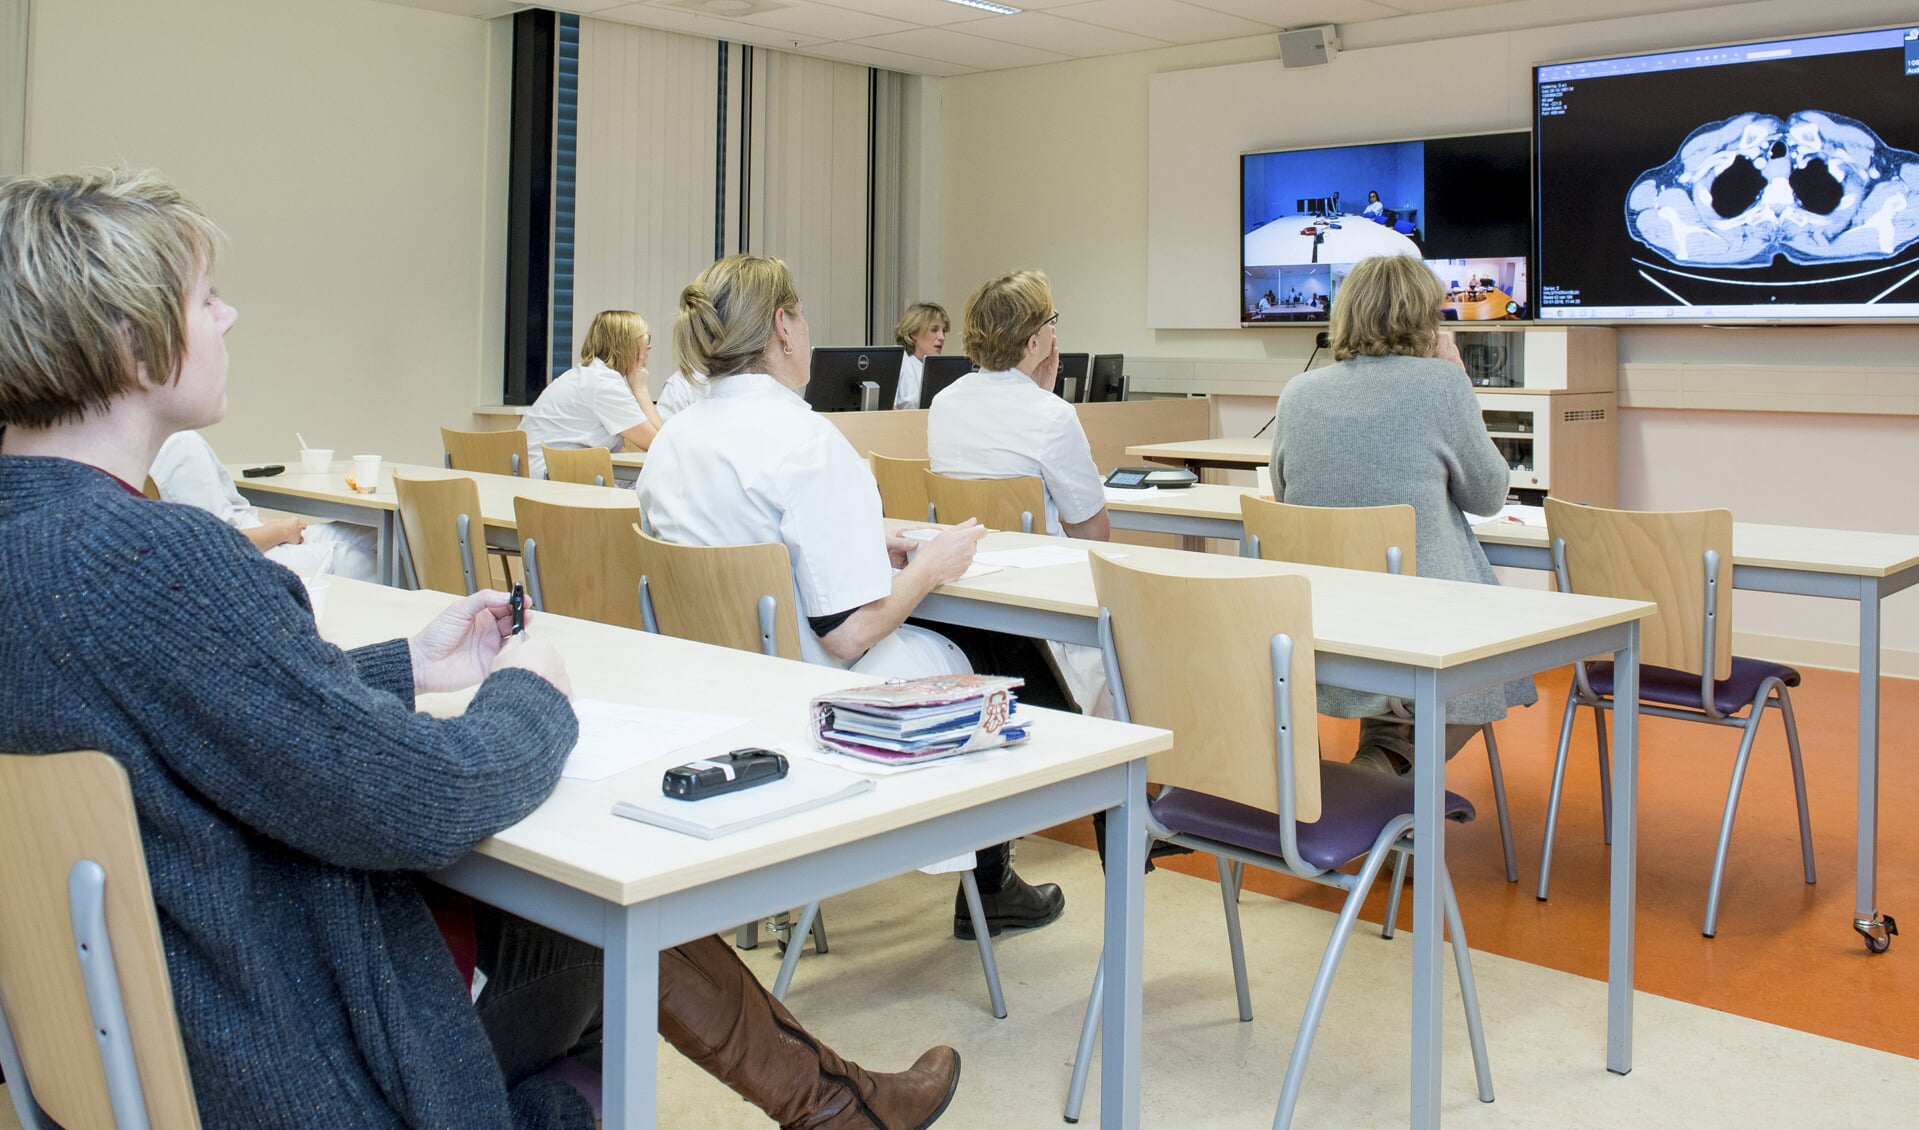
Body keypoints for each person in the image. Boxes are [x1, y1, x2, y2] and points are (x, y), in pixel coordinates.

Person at [0, 169, 959, 1130]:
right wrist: (529, 690)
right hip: (306, 1058)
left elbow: (201, 711)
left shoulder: (38, 542)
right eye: (206, 297)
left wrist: (406, 668)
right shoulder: (158, 561)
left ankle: (835, 1107)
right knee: (610, 917)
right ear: (130, 343)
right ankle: (830, 1107)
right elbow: (427, 800)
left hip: (138, 1038)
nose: (232, 314)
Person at [637, 254, 1064, 940]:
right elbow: (846, 633)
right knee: (984, 656)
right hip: (818, 692)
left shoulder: (674, 440)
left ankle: (994, 884)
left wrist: (870, 535)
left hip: (713, 683)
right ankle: (992, 886)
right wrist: (927, 566)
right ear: (782, 326)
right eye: (801, 316)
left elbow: (760, 545)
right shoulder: (806, 439)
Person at [1267, 254, 1537, 774]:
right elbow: (1489, 495)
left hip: (1321, 615)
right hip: (1419, 622)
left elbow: (1286, 497)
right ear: (1425, 319)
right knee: (1490, 660)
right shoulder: (1440, 387)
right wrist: (1457, 375)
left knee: (1394, 671)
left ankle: (1382, 760)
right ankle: (1389, 768)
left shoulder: (1297, 394)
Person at [150, 428, 379, 580]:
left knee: (377, 534)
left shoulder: (181, 440)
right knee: (371, 558)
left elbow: (227, 516)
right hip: (254, 555)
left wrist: (280, 525)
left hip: (260, 536)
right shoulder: (179, 445)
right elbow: (220, 547)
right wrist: (280, 531)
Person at [518, 309, 664, 480]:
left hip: (535, 474)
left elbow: (629, 447)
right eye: (645, 339)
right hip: (550, 480)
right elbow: (660, 444)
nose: (649, 346)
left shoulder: (589, 375)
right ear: (626, 345)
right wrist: (640, 389)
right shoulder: (604, 383)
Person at [892, 301, 949, 410]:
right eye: (934, 330)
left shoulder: (942, 369)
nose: (941, 337)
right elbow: (887, 410)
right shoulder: (898, 364)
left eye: (944, 331)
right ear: (913, 333)